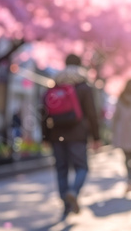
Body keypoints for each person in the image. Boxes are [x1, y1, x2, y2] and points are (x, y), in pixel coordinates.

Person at [42, 54, 101, 220]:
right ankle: (73, 192)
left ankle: (65, 206)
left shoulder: (55, 84)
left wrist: (45, 137)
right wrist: (96, 137)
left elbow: (44, 112)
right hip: (78, 135)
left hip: (56, 135)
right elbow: (91, 113)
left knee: (61, 169)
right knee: (82, 167)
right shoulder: (83, 86)